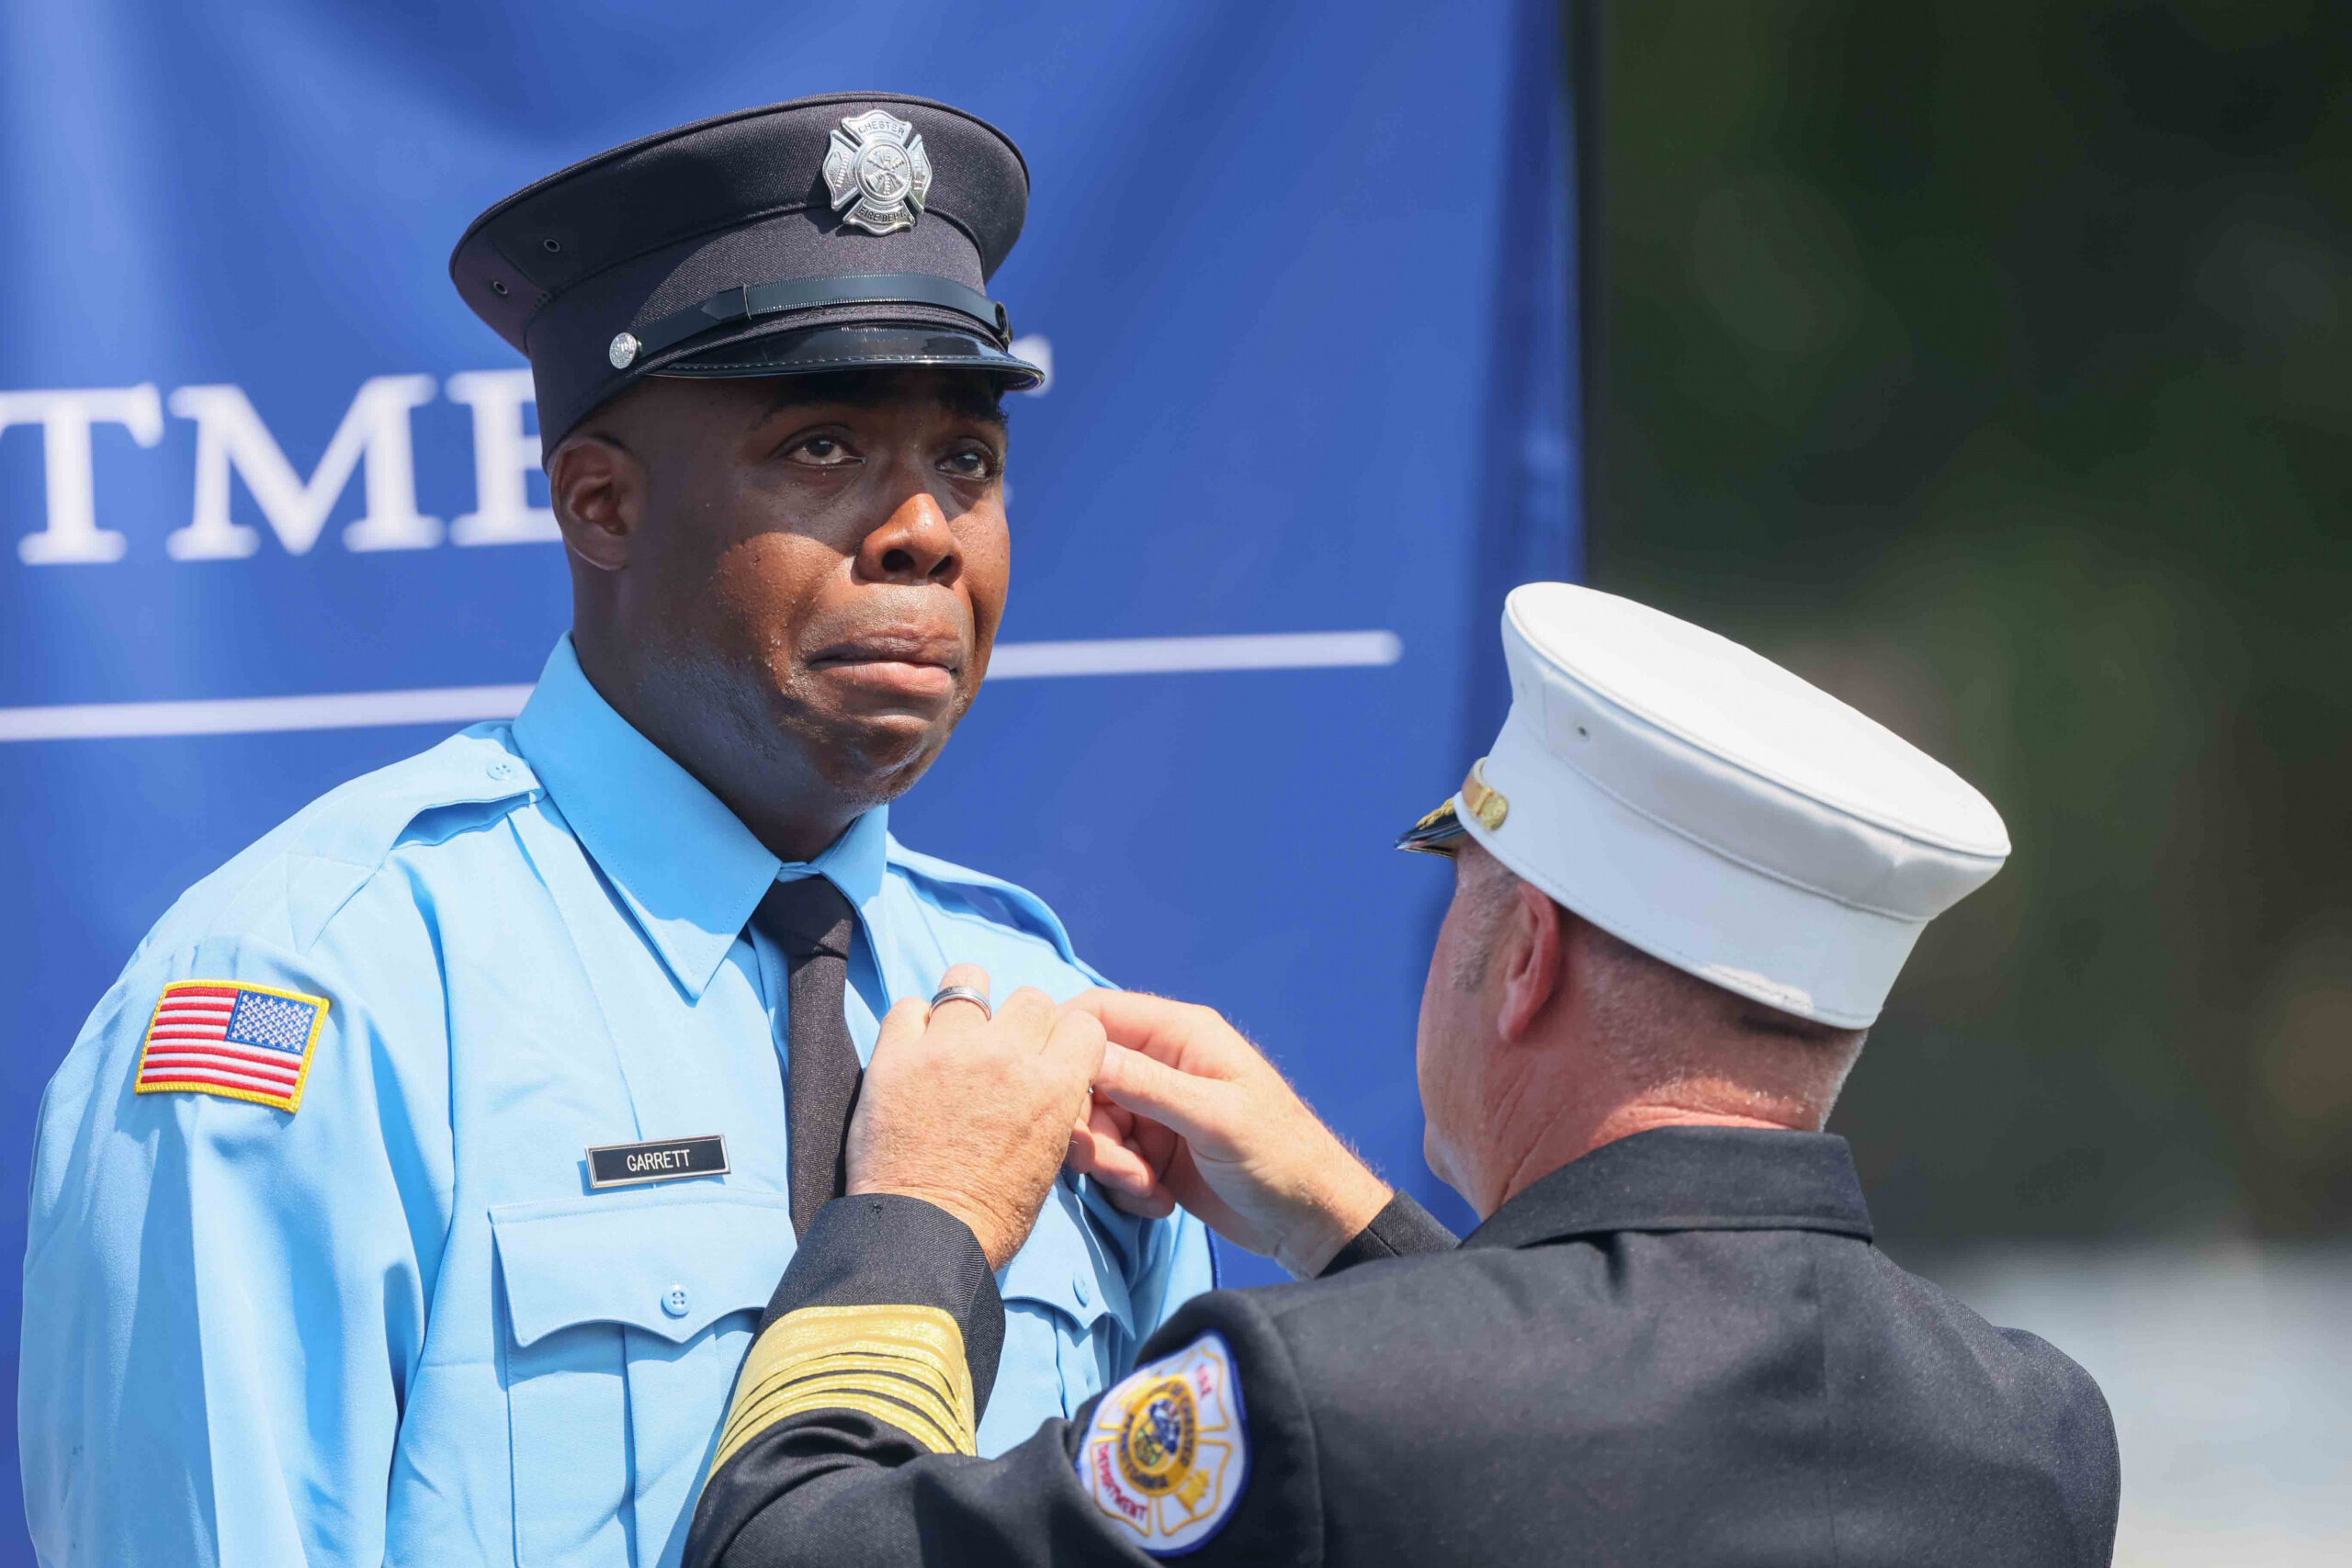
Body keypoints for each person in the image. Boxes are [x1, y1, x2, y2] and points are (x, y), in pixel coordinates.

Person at [19, 96, 1210, 1568]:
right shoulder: (323, 989)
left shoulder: (1044, 1007)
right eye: (825, 446)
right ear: (599, 502)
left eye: (968, 461)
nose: (924, 530)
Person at [683, 581, 2122, 1566]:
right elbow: (1584, 1459)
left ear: (1526, 957)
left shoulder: (1306, 1397)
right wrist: (1353, 1230)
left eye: (1465, 888)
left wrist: (919, 1217)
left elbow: (790, 1552)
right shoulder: (2026, 1431)